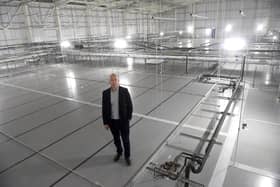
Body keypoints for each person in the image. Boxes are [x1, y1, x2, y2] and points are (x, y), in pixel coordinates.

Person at [102, 73, 133, 166]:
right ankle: (119, 152)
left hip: (123, 121)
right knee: (116, 139)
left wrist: (128, 117)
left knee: (126, 139)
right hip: (112, 122)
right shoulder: (105, 93)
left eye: (115, 80)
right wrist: (106, 122)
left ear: (118, 81)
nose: (114, 82)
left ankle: (127, 156)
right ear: (109, 82)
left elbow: (130, 105)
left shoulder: (124, 91)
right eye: (112, 80)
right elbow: (104, 108)